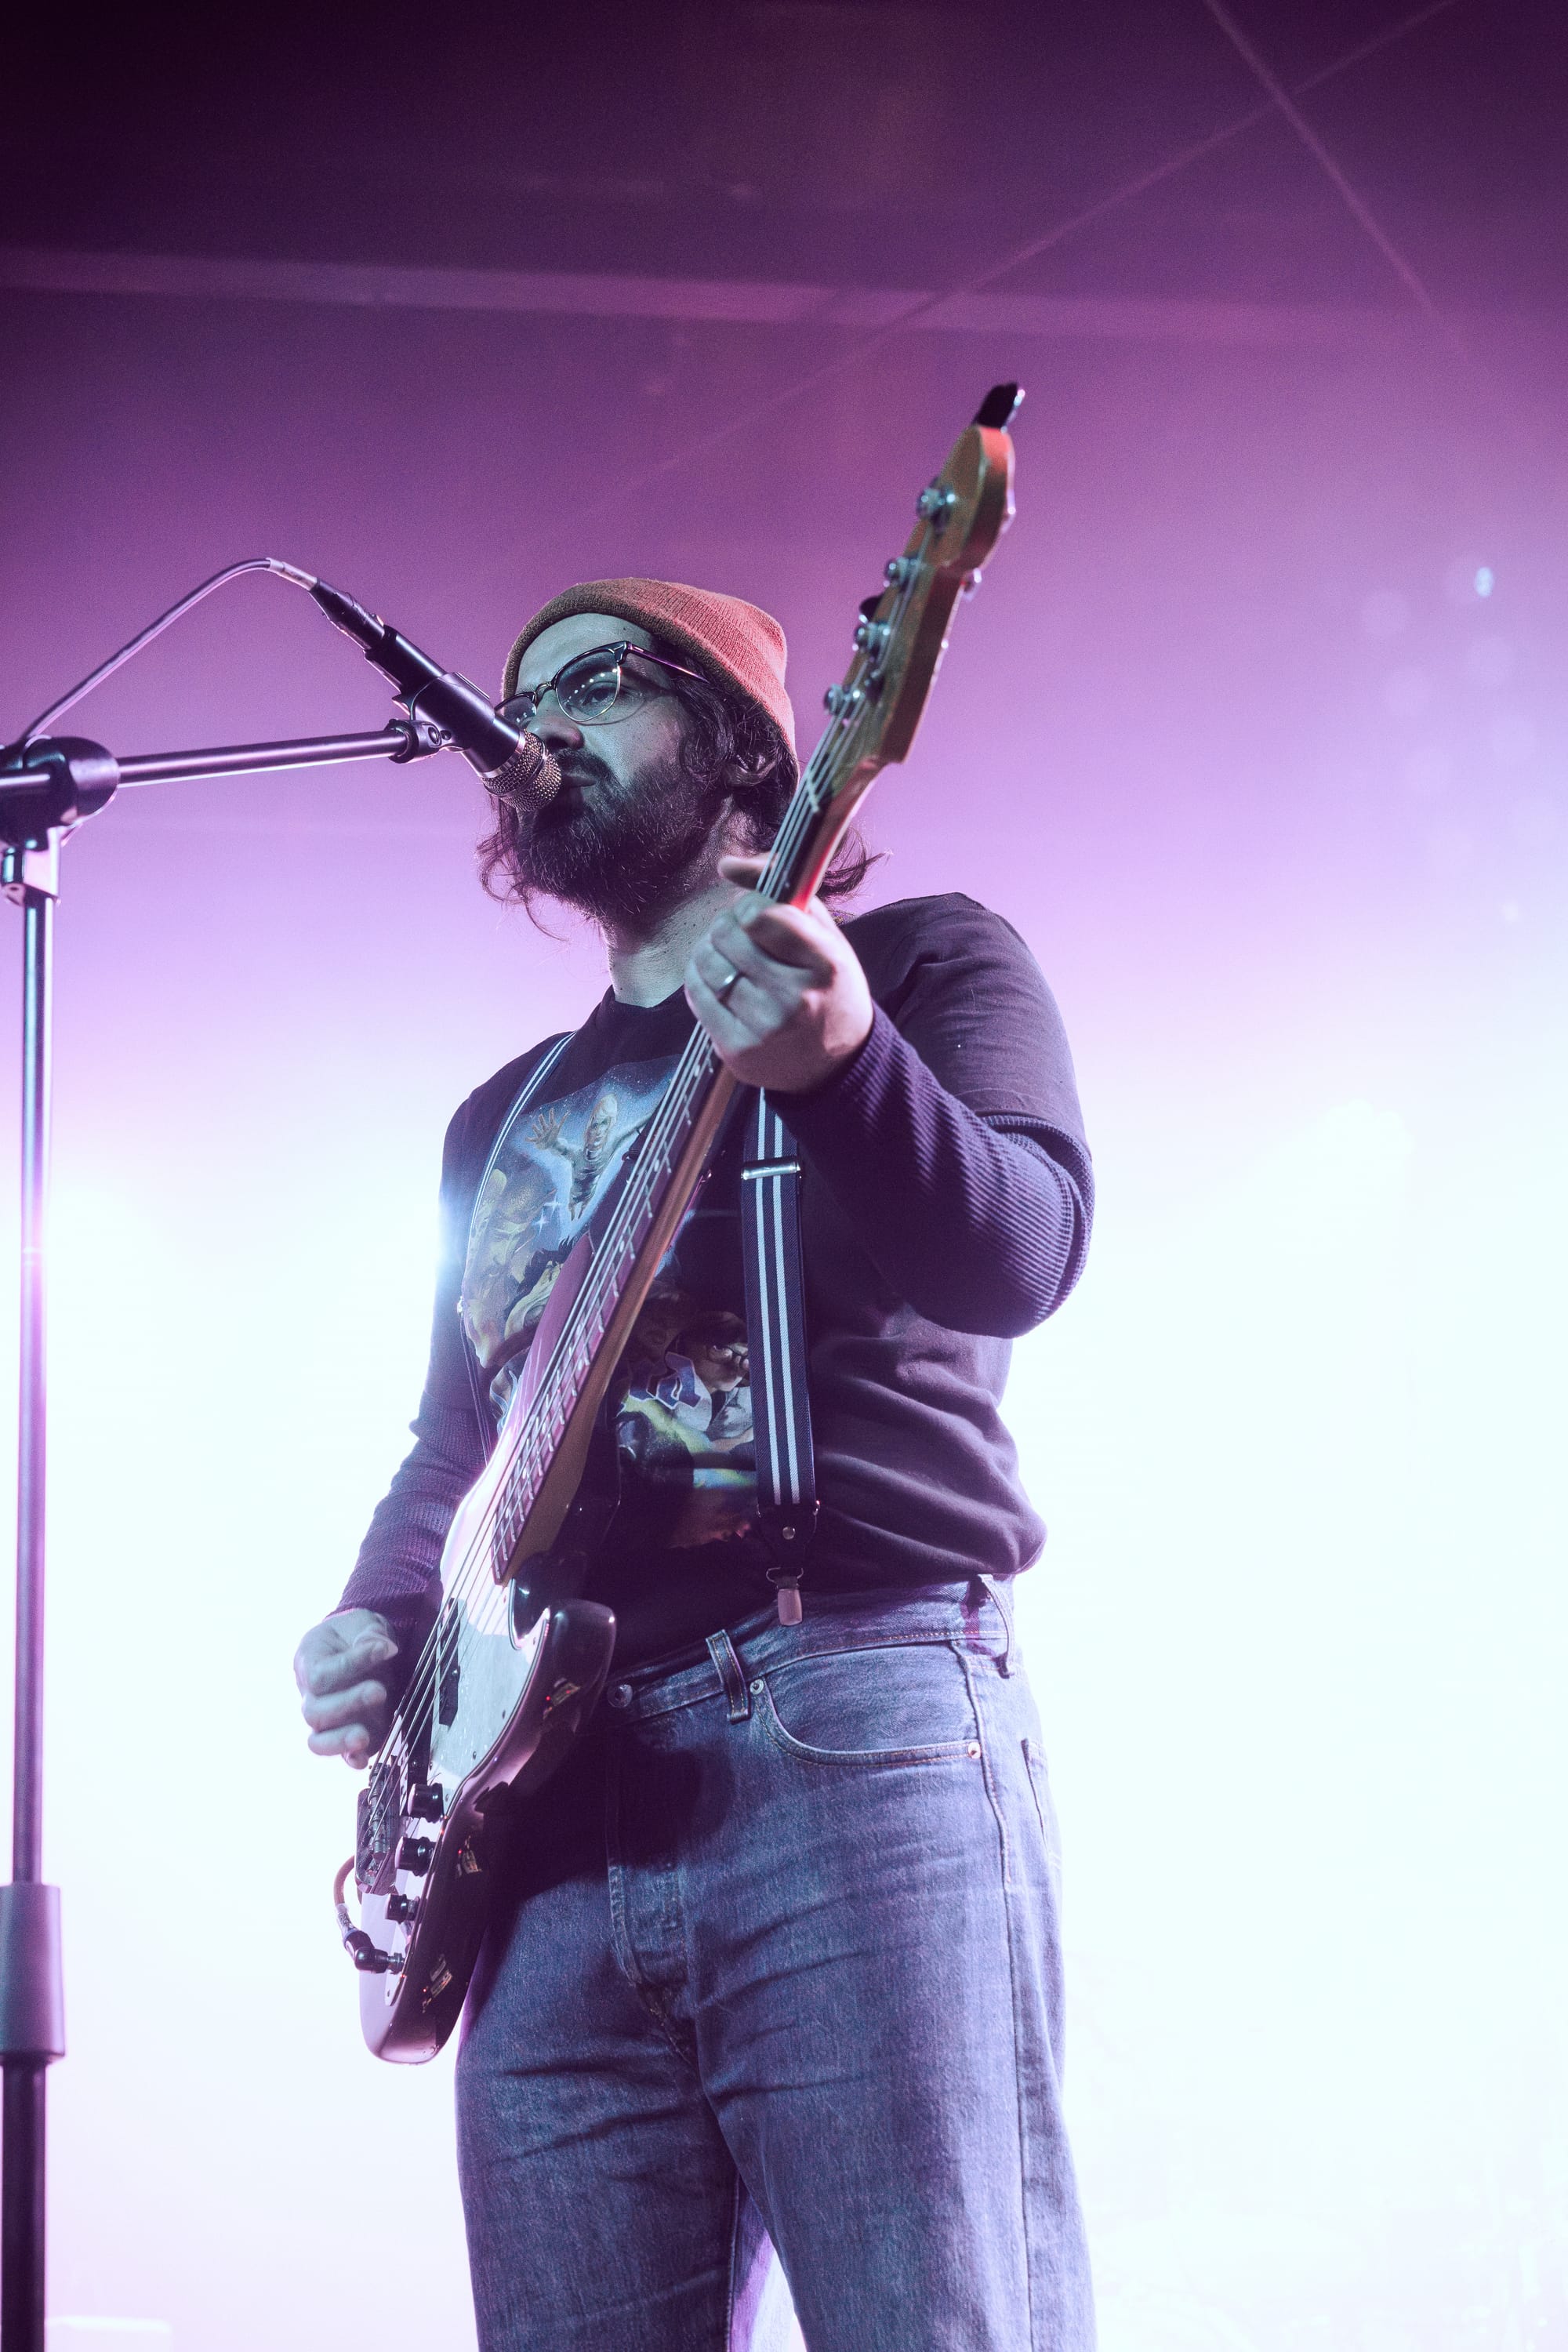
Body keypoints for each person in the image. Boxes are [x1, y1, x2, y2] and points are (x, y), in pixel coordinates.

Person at [293, 578, 1098, 2351]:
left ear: (738, 738)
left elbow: (1023, 1255)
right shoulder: (497, 1118)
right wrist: (378, 1622)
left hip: (844, 1725)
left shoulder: (923, 962)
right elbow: (455, 1442)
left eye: (593, 684)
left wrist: (843, 1063)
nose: (537, 730)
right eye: (520, 707)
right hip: (539, 1811)